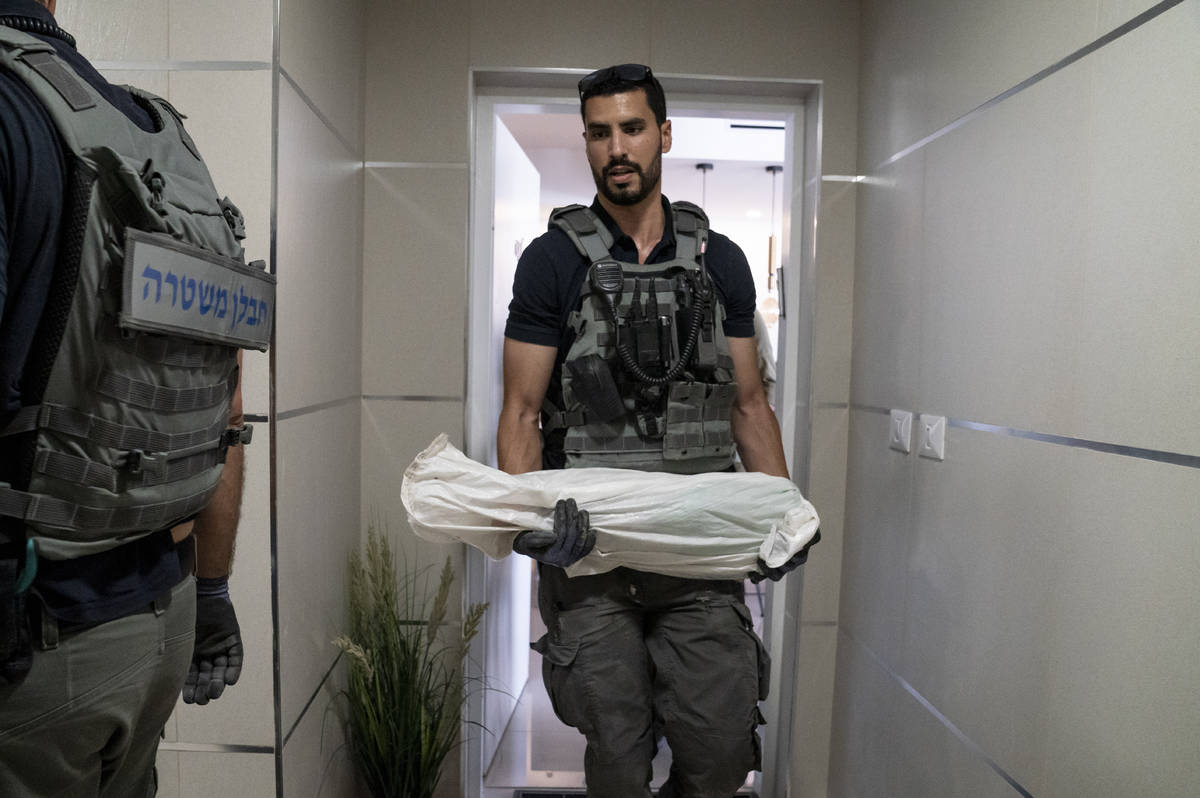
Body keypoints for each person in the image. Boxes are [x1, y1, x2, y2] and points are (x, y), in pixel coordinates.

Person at [497, 63, 816, 798]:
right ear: (585, 143)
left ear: (663, 135)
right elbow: (520, 412)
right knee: (617, 755)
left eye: (633, 129)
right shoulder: (551, 263)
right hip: (594, 559)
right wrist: (529, 523)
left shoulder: (720, 261)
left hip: (697, 555)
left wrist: (783, 514)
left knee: (720, 753)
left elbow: (747, 406)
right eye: (601, 132)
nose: (618, 147)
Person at [0, 1, 271, 794]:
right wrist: (213, 587)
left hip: (34, 651)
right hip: (158, 621)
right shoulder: (164, 143)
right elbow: (224, 405)